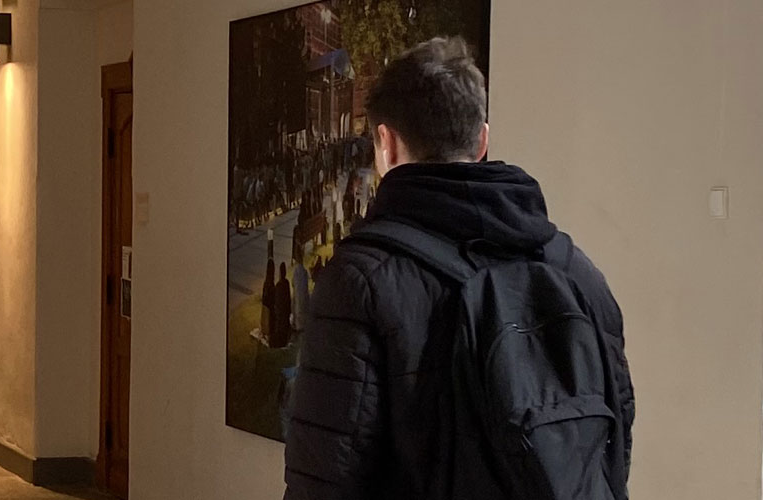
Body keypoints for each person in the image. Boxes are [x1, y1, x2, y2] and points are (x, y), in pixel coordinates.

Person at [284, 37, 635, 499]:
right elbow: (616, 446)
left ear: (386, 144)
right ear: (482, 140)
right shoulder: (578, 272)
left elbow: (325, 479)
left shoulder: (360, 281)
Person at [271, 262, 292, 348]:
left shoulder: (279, 285)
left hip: (281, 316)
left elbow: (277, 303)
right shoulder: (286, 283)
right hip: (286, 314)